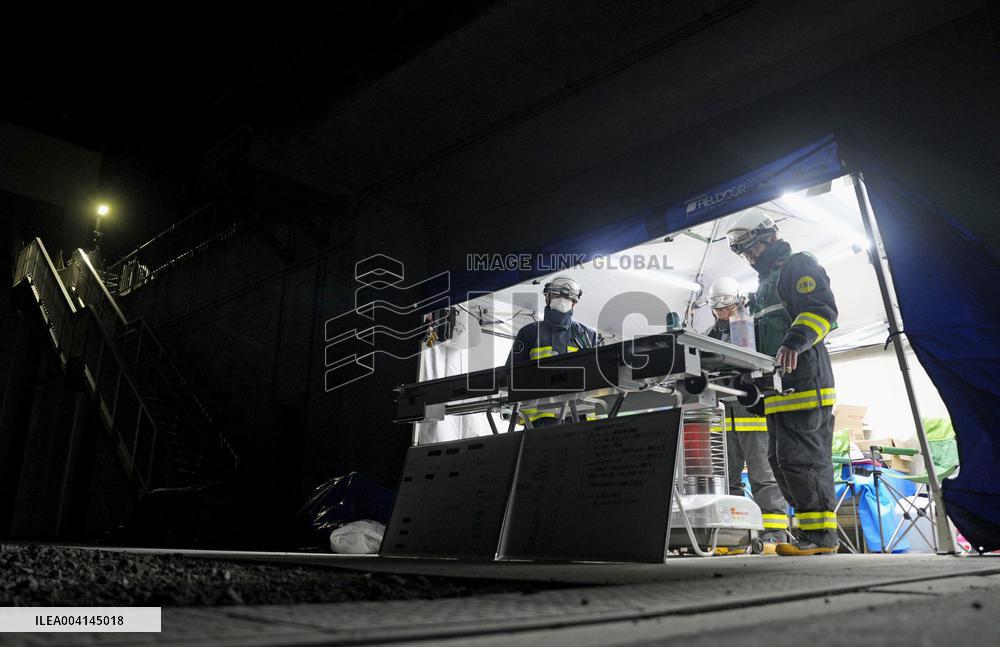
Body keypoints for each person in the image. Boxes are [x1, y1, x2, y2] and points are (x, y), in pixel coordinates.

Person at [726, 209, 839, 556]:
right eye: (744, 253)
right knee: (782, 462)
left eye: (753, 249)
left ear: (771, 238)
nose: (750, 258)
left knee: (806, 459)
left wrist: (795, 340)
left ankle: (822, 538)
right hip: (776, 391)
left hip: (805, 384)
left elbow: (822, 310)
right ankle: (809, 533)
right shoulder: (762, 285)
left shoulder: (798, 265)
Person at [705, 277, 792, 549]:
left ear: (740, 300)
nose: (723, 313)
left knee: (763, 478)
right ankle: (736, 532)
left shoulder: (753, 328)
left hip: (752, 416)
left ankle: (775, 533)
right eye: (718, 308)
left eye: (728, 306)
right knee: (727, 480)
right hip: (722, 420)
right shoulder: (710, 335)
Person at [507, 276, 599, 426]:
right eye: (557, 295)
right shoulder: (529, 333)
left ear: (574, 303)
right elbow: (510, 375)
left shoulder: (588, 335)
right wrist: (513, 411)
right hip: (540, 418)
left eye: (567, 297)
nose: (561, 300)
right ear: (547, 297)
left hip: (581, 416)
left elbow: (599, 377)